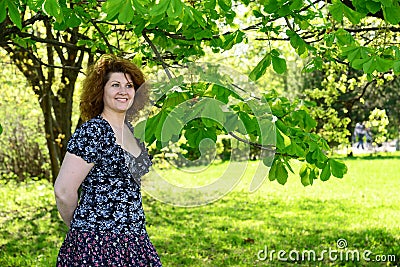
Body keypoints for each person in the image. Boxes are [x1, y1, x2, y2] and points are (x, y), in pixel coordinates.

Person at [54, 54, 162, 266]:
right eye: (115, 85)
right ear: (100, 91)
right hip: (97, 244)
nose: (123, 91)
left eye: (129, 85)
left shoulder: (131, 131)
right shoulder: (94, 131)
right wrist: (82, 230)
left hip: (135, 241)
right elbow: (63, 191)